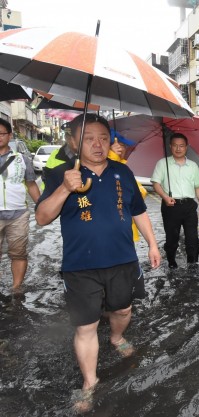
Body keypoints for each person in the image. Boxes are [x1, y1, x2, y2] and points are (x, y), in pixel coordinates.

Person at [35, 113, 161, 413]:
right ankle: (90, 382)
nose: (97, 144)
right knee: (86, 326)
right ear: (72, 141)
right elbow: (41, 218)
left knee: (123, 309)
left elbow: (138, 210)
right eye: (89, 138)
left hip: (123, 259)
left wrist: (153, 244)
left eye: (104, 138)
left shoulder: (122, 172)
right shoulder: (61, 174)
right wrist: (66, 188)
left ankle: (117, 336)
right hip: (80, 265)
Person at [151, 133, 199, 269]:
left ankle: (192, 263)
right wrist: (164, 196)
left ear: (186, 147)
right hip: (170, 206)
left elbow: (198, 187)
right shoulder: (163, 163)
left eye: (181, 146)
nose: (178, 148)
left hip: (189, 206)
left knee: (192, 238)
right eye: (175, 145)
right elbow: (156, 183)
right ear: (170, 146)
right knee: (172, 238)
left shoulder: (193, 166)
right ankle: (171, 262)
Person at [0, 118, 40, 291]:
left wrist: (42, 206)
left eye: (1, 134)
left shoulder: (22, 159)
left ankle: (16, 289)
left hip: (18, 215)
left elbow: (31, 184)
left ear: (9, 135)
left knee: (18, 253)